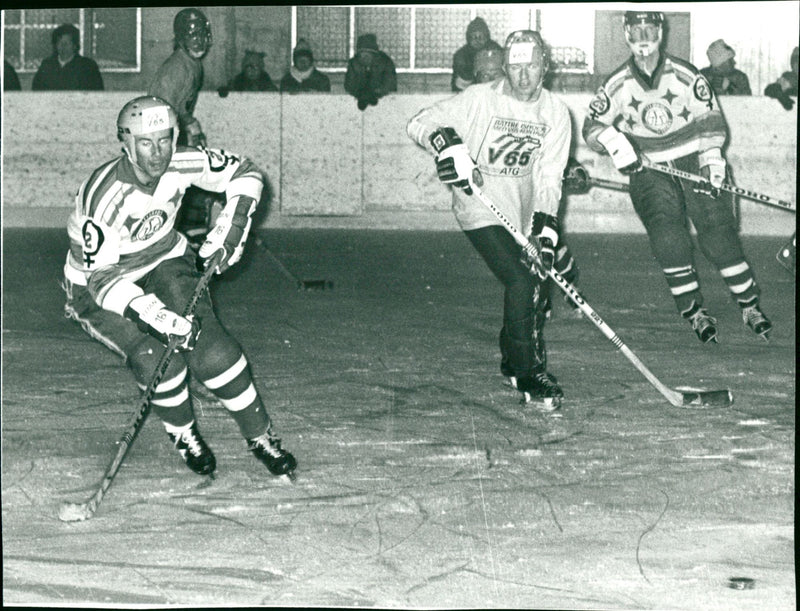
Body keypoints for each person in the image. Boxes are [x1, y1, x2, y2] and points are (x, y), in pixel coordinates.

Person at [62, 96, 297, 479]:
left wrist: (230, 228)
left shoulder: (180, 160)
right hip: (100, 285)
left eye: (164, 140)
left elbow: (245, 172)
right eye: (145, 143)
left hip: (165, 261)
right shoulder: (103, 197)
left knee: (213, 350)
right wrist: (152, 314)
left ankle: (261, 435)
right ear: (126, 143)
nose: (157, 153)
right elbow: (101, 278)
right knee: (157, 358)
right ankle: (183, 431)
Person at [582, 11, 772, 344]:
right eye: (636, 28)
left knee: (717, 233)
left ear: (661, 31)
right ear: (626, 33)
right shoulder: (617, 82)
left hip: (692, 157)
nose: (643, 35)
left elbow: (710, 118)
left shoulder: (685, 74)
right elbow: (592, 127)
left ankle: (748, 304)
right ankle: (693, 309)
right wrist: (613, 143)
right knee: (668, 237)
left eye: (649, 28)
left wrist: (712, 158)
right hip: (649, 167)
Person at [407, 30, 570, 410]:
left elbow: (549, 177)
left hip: (522, 213)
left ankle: (512, 356)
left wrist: (544, 230)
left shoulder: (556, 113)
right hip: (479, 207)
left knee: (535, 286)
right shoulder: (480, 98)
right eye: (515, 67)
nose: (524, 75)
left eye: (531, 65)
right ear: (505, 69)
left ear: (545, 64)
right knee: (521, 278)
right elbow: (419, 122)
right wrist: (445, 142)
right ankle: (528, 372)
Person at [473, 46, 583, 320]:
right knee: (520, 254)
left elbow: (545, 147)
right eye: (482, 75)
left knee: (545, 246)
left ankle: (566, 287)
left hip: (529, 193)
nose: (488, 80)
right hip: (497, 197)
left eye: (492, 74)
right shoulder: (477, 105)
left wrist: (571, 167)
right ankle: (540, 295)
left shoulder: (526, 103)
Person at [149, 7, 222, 248]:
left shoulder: (194, 64)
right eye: (193, 35)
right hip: (161, 135)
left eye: (202, 34)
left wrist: (191, 125)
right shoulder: (176, 67)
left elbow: (182, 105)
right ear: (181, 39)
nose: (199, 40)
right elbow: (160, 106)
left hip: (175, 132)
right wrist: (184, 129)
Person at [31, 23, 103, 91]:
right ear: (55, 45)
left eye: (67, 43)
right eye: (59, 42)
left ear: (75, 45)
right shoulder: (47, 65)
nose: (63, 46)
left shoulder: (87, 66)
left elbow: (96, 92)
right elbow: (37, 90)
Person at [344, 34, 397, 111]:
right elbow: (349, 85)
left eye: (368, 54)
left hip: (384, 106)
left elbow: (390, 85)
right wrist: (361, 93)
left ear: (375, 55)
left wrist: (375, 92)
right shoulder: (354, 63)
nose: (364, 58)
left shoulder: (385, 63)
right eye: (361, 54)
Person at [451, 17, 503, 92]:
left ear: (487, 37)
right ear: (468, 38)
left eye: (481, 37)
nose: (477, 40)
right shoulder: (461, 55)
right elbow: (459, 85)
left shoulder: (496, 51)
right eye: (474, 37)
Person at [764, 46, 798, 110]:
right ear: (792, 65)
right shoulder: (789, 78)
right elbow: (769, 90)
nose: (797, 65)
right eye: (796, 62)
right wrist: (781, 96)